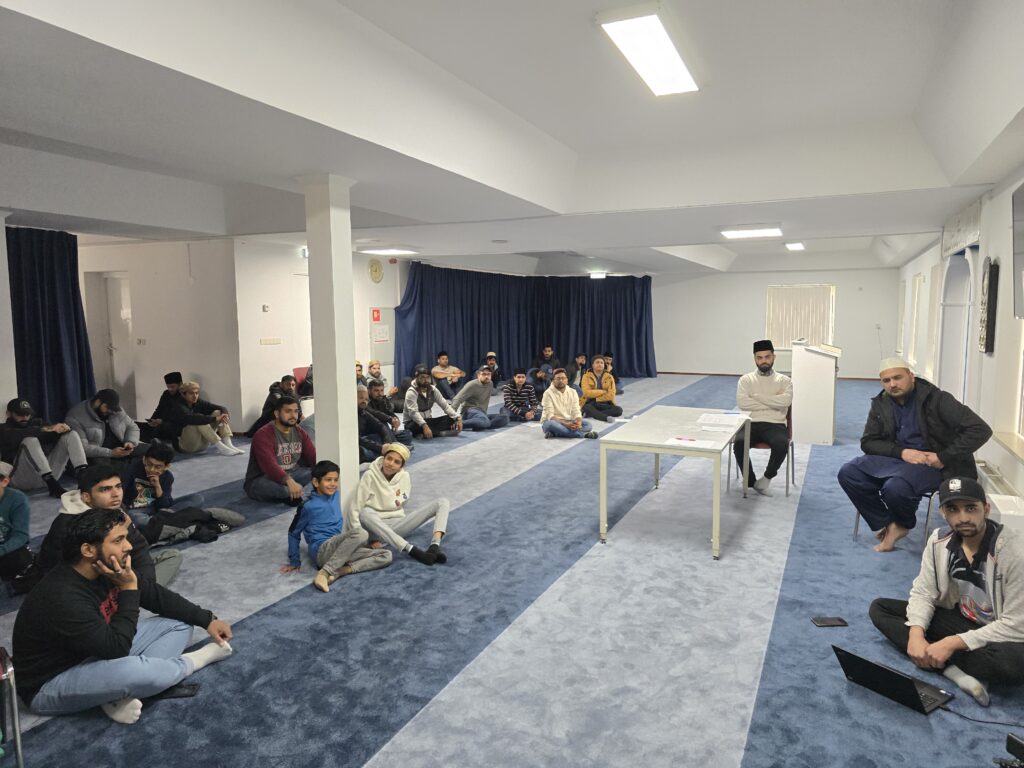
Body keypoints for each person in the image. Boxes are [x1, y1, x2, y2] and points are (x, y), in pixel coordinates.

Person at [13, 508, 233, 724]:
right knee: (134, 671)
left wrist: (207, 619)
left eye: (125, 538)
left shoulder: (106, 566)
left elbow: (155, 595)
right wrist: (128, 589)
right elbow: (117, 649)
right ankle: (190, 662)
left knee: (180, 624)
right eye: (118, 541)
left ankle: (115, 694)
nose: (128, 546)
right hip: (50, 682)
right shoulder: (62, 595)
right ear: (88, 550)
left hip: (96, 651)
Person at [869, 477, 1024, 706]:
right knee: (881, 608)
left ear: (986, 509)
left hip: (1003, 632)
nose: (963, 518)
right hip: (963, 620)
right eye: (953, 509)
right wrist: (916, 635)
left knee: (1011, 663)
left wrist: (951, 643)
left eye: (971, 508)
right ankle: (953, 671)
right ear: (943, 512)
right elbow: (924, 592)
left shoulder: (1016, 553)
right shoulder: (938, 541)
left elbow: (1016, 625)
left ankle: (939, 656)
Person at [838, 357, 991, 553]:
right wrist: (902, 452)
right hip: (899, 459)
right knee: (849, 473)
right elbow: (868, 442)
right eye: (886, 381)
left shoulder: (937, 399)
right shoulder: (881, 403)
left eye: (897, 378)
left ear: (911, 376)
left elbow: (980, 430)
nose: (892, 384)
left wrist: (943, 456)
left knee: (895, 488)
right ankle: (887, 522)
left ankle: (902, 524)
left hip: (934, 464)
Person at [39, 464, 183, 586]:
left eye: (118, 487)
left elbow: (139, 547)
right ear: (86, 497)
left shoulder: (117, 508)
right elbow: (61, 574)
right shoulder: (67, 525)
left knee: (172, 555)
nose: (116, 494)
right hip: (92, 585)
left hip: (119, 570)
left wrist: (144, 582)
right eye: (105, 489)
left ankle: (141, 591)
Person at [280, 460, 392, 592]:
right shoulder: (307, 506)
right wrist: (294, 561)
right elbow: (293, 533)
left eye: (335, 480)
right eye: (328, 480)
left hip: (338, 550)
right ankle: (325, 572)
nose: (333, 484)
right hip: (322, 550)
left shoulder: (336, 495)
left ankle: (341, 571)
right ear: (315, 482)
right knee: (361, 533)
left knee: (386, 555)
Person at [353, 443, 450, 566]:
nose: (390, 463)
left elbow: (400, 505)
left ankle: (434, 546)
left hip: (398, 524)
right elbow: (356, 508)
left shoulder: (405, 477)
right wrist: (366, 539)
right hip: (375, 527)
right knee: (364, 512)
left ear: (401, 466)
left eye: (396, 462)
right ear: (383, 458)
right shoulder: (369, 475)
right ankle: (411, 549)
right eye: (389, 458)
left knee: (442, 502)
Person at [734, 339, 793, 497]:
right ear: (755, 359)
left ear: (774, 357)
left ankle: (766, 479)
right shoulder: (746, 380)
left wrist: (756, 396)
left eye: (767, 357)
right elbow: (743, 403)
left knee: (781, 444)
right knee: (739, 443)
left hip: (775, 424)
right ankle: (750, 481)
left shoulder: (784, 380)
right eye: (759, 358)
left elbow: (786, 402)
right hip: (750, 422)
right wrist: (774, 402)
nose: (763, 361)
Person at [0, 397, 87, 497]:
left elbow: (53, 434)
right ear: (9, 414)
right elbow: (15, 436)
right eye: (20, 414)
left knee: (71, 434)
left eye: (27, 414)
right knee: (30, 440)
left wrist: (62, 429)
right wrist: (47, 429)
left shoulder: (38, 424)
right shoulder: (3, 429)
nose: (25, 417)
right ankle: (52, 485)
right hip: (20, 480)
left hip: (48, 476)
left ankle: (84, 479)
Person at [245, 396, 316, 505]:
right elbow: (269, 466)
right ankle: (291, 493)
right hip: (263, 478)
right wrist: (289, 481)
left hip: (291, 473)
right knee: (285, 490)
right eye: (288, 411)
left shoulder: (300, 432)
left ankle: (293, 493)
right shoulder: (263, 434)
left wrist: (323, 472)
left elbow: (312, 456)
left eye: (296, 411)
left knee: (319, 473)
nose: (293, 415)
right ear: (277, 414)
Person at [65, 389, 147, 463]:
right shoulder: (75, 417)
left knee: (151, 451)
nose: (112, 411)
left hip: (122, 447)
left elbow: (132, 427)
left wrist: (130, 442)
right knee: (104, 466)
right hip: (100, 454)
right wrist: (111, 453)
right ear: (98, 402)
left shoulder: (115, 410)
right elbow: (82, 448)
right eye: (108, 408)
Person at [167, 381, 243, 456]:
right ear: (183, 394)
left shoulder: (197, 401)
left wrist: (224, 415)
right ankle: (222, 448)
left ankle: (229, 444)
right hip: (185, 446)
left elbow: (221, 408)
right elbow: (192, 418)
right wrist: (215, 419)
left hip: (202, 444)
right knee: (199, 419)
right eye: (191, 393)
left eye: (197, 393)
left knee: (218, 412)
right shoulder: (177, 406)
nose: (195, 396)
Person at [0, 461, 36, 591]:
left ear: (4, 482)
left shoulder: (17, 499)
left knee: (20, 560)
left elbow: (21, 536)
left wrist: (2, 550)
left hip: (8, 548)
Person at [403, 366, 463, 439]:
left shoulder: (433, 390)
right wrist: (424, 426)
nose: (425, 380)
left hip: (428, 421)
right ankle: (439, 434)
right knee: (414, 427)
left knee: (451, 419)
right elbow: (413, 413)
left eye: (427, 377)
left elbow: (445, 406)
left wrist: (457, 418)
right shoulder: (411, 392)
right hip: (413, 422)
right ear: (416, 378)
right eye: (422, 377)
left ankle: (424, 434)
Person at [541, 369, 597, 439]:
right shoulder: (547, 393)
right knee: (551, 424)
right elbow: (550, 416)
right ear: (553, 380)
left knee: (588, 425)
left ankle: (556, 433)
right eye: (558, 378)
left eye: (563, 378)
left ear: (567, 380)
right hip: (554, 422)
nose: (561, 380)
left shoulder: (573, 392)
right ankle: (583, 435)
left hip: (569, 420)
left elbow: (576, 410)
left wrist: (578, 421)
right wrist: (565, 424)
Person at [367, 379, 414, 447]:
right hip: (371, 433)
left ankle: (391, 442)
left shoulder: (382, 399)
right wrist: (390, 419)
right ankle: (396, 446)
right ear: (369, 391)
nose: (380, 393)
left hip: (385, 433)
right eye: (376, 391)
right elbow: (375, 413)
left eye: (381, 390)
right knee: (382, 423)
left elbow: (389, 412)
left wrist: (395, 418)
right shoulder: (366, 401)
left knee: (408, 434)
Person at [142, 372, 183, 442]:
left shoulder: (184, 396)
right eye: (168, 387)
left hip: (173, 426)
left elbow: (179, 417)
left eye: (172, 387)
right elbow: (158, 409)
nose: (170, 389)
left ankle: (151, 442)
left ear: (180, 384)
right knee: (138, 426)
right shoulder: (166, 393)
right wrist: (152, 420)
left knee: (160, 428)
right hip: (160, 423)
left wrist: (162, 421)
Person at [580, 356, 623, 422]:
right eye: (597, 362)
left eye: (601, 363)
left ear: (604, 365)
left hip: (605, 403)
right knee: (586, 407)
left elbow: (611, 395)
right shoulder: (586, 376)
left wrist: (597, 398)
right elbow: (587, 393)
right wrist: (603, 391)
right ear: (593, 365)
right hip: (591, 403)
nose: (599, 364)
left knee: (618, 410)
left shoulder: (609, 377)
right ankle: (605, 418)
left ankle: (591, 414)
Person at [357, 385, 395, 461]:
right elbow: (356, 439)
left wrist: (387, 443)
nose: (364, 401)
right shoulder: (350, 417)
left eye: (366, 399)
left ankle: (388, 451)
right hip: (357, 443)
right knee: (362, 452)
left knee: (378, 436)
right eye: (361, 398)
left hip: (365, 440)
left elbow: (381, 426)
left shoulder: (364, 413)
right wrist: (380, 448)